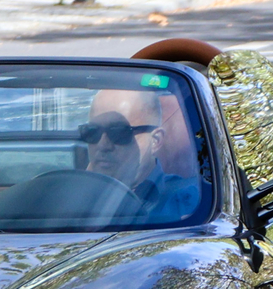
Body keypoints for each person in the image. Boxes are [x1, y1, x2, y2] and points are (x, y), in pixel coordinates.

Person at [81, 88, 200, 219]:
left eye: (119, 132)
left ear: (155, 141)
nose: (103, 145)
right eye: (92, 132)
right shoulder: (70, 196)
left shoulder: (189, 202)